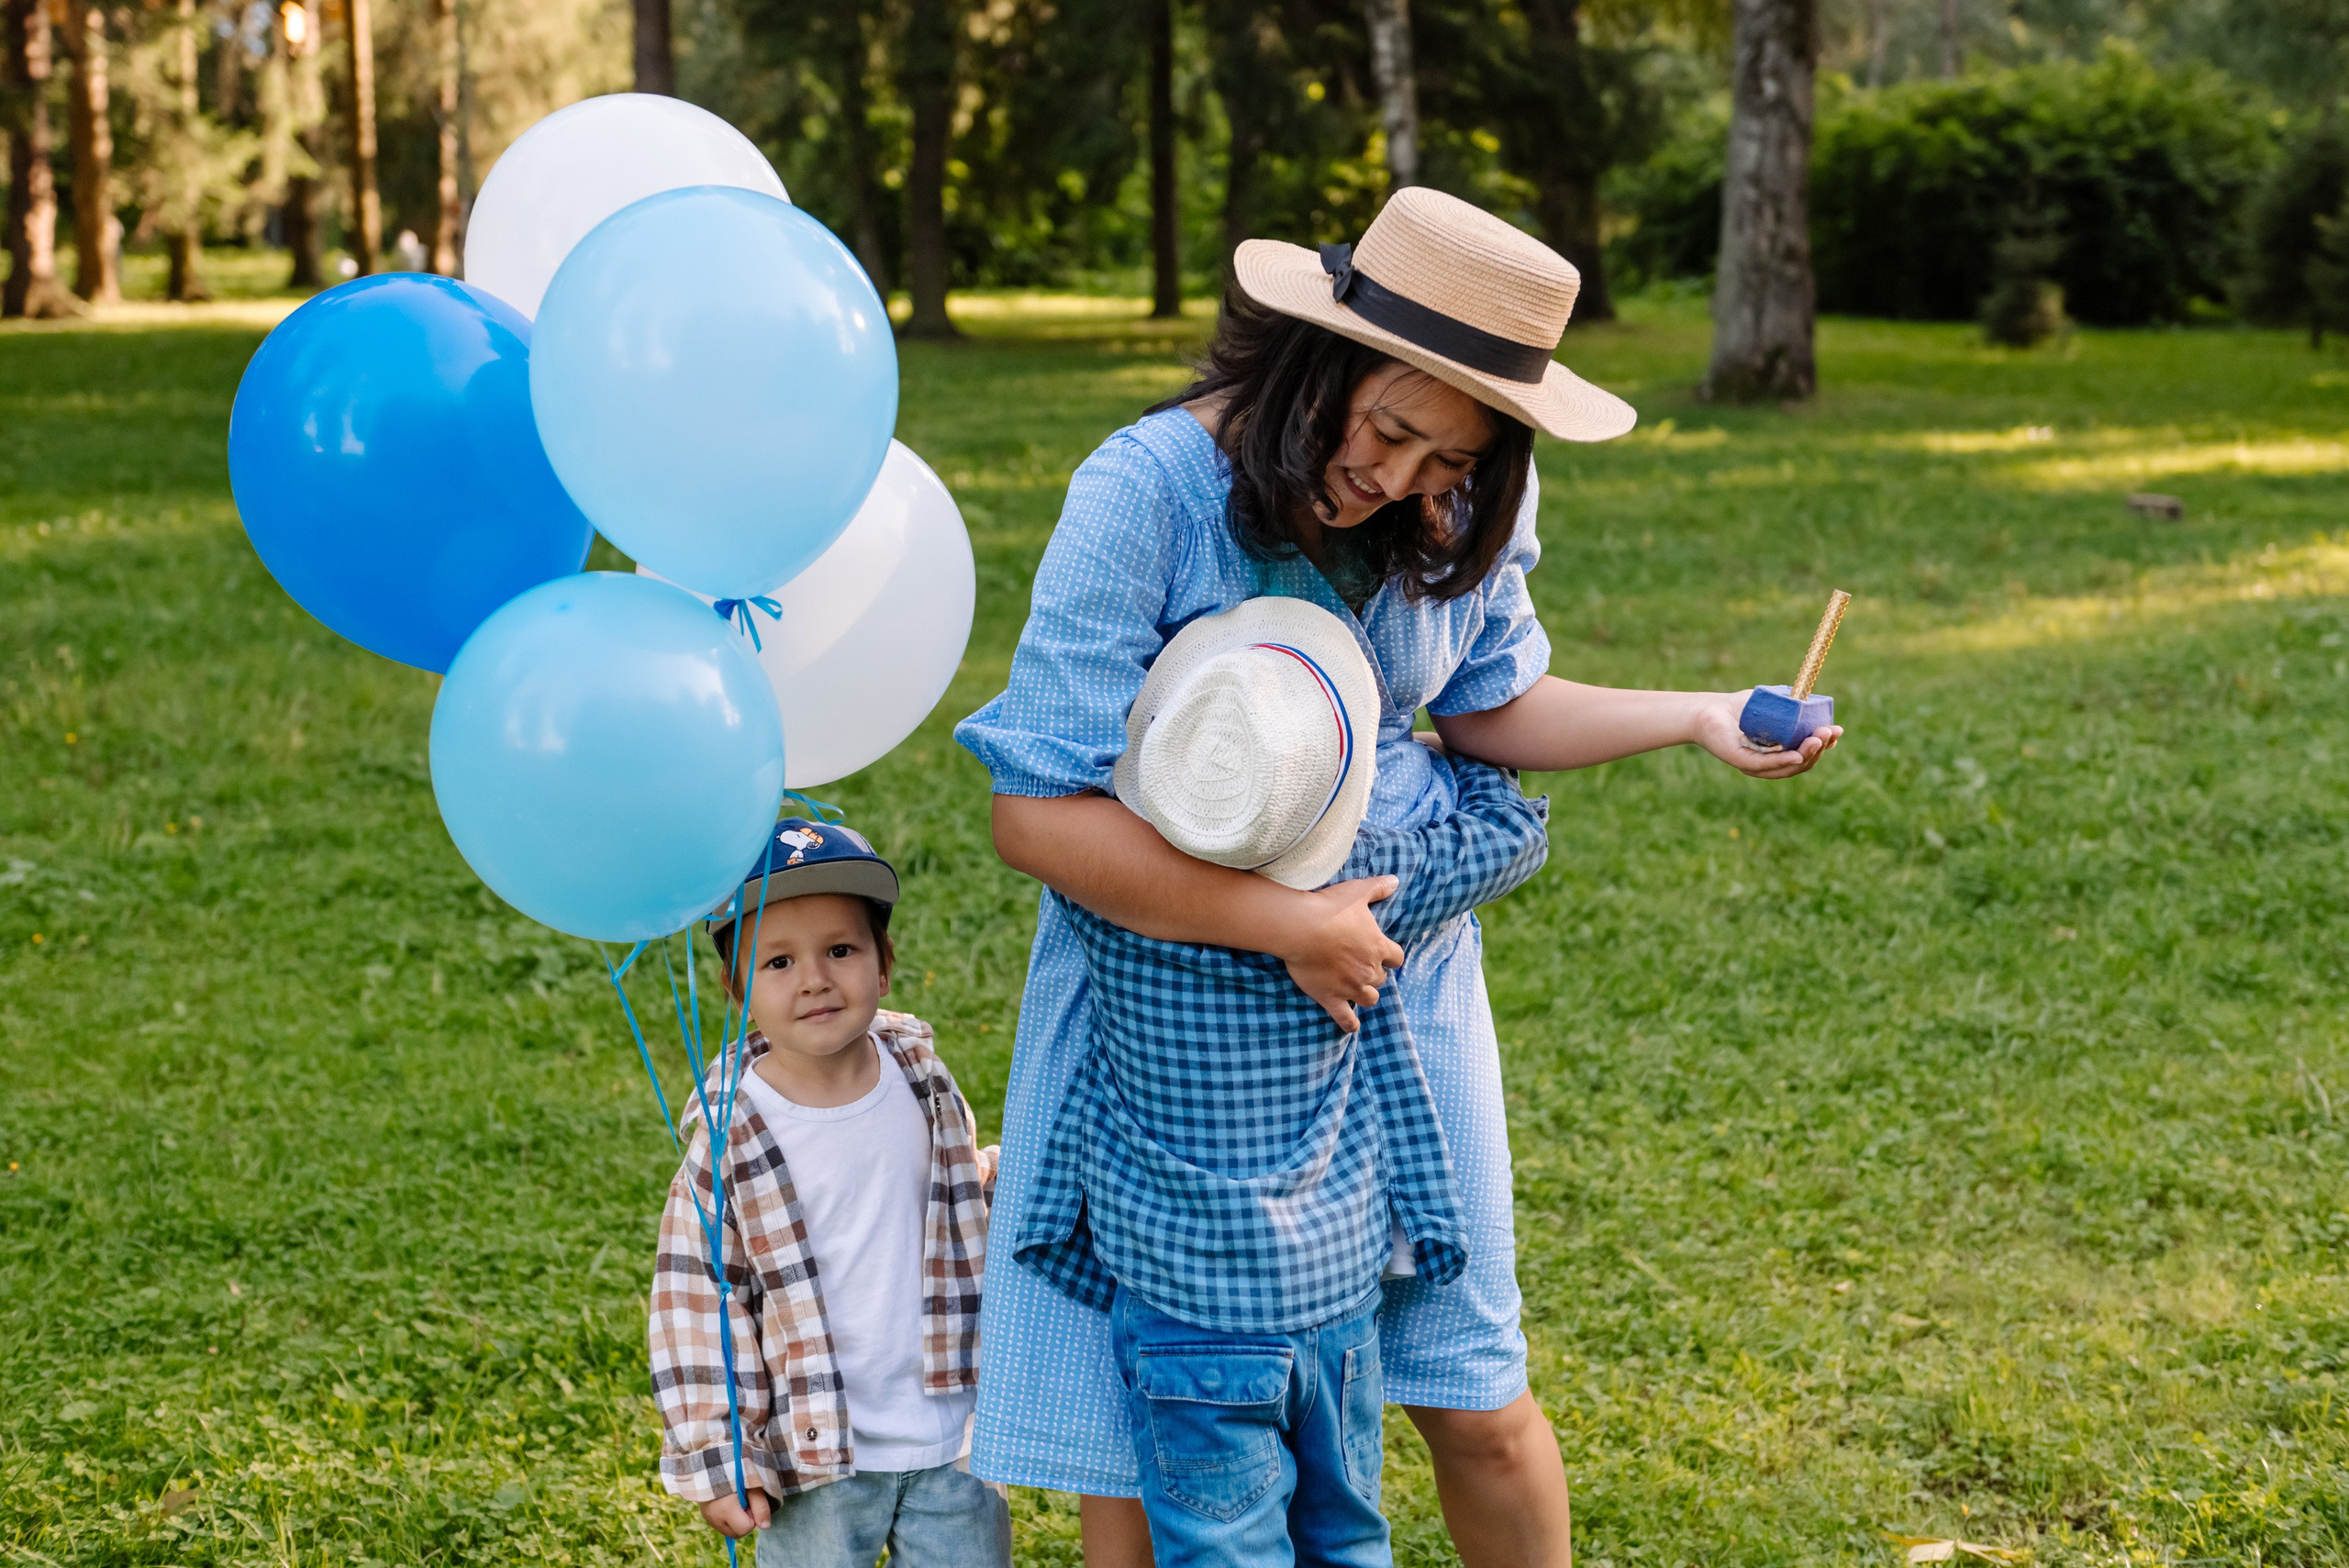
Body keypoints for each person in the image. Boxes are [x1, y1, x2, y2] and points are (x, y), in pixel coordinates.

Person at [955, 185, 1841, 1567]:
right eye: (1384, 428)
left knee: (1473, 1389)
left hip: (1394, 1006)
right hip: (1168, 1023)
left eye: (1448, 458)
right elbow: (1037, 814)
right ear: (1317, 360)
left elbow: (1490, 704)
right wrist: (1281, 923)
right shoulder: (1147, 491)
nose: (1401, 477)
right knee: (1155, 1419)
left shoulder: (1469, 484)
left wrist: (1691, 712)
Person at [1018, 595, 1553, 1565]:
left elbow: (1057, 821)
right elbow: (1507, 836)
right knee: (1347, 1536)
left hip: (1180, 1313)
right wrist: (1452, 753)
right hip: (1334, 1296)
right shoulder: (1368, 880)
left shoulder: (1108, 902)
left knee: (1221, 1546)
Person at [647, 818, 1009, 1568]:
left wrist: (1009, 1182)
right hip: (814, 1455)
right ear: (735, 986)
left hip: (954, 1439)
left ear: (884, 965)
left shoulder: (924, 1083)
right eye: (778, 960)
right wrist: (720, 1452)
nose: (814, 977)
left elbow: (956, 1203)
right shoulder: (732, 1135)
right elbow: (700, 1299)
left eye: (840, 949)